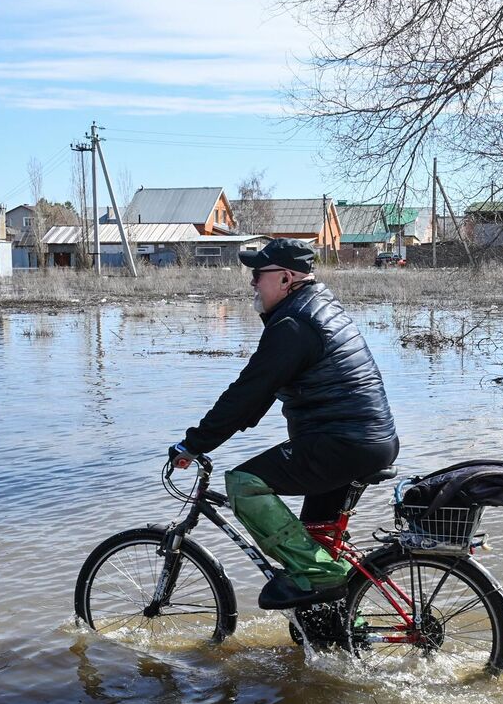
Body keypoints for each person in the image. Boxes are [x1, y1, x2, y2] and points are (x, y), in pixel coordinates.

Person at [170, 238, 399, 610]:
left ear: (286, 278)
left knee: (244, 484)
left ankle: (324, 575)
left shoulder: (294, 324)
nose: (252, 283)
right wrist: (217, 432)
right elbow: (260, 394)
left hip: (342, 443)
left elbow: (247, 391)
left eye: (258, 274)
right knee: (313, 545)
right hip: (363, 441)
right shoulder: (317, 307)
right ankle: (338, 629)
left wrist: (194, 444)